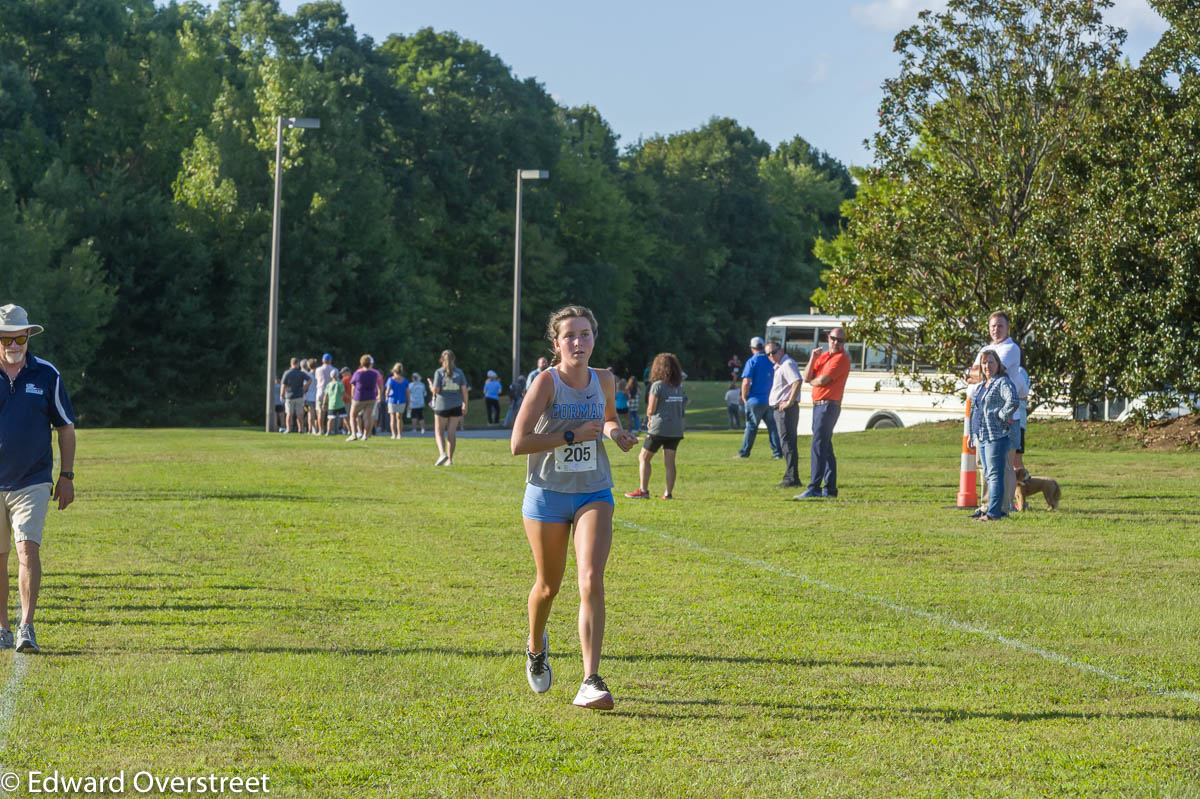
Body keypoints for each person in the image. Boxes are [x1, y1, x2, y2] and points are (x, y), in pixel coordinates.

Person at [511, 305, 637, 711]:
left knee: (590, 579)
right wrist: (570, 435)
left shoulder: (604, 380)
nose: (578, 342)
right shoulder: (546, 383)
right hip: (547, 493)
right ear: (556, 343)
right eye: (570, 336)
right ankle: (535, 646)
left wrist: (615, 432)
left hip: (593, 491)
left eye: (585, 334)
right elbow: (518, 443)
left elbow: (608, 417)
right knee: (548, 586)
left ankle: (590, 679)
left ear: (594, 339)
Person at [0, 304, 76, 654]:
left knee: (27, 548)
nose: (13, 344)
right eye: (5, 338)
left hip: (32, 480)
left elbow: (65, 427)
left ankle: (26, 626)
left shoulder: (47, 375)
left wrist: (67, 476)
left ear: (28, 336)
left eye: (19, 337)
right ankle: (2, 629)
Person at [965, 311, 1027, 514]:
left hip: (1007, 420)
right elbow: (973, 373)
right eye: (993, 326)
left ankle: (1005, 506)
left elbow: (994, 372)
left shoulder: (1011, 348)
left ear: (1008, 328)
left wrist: (979, 374)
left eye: (1000, 326)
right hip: (985, 419)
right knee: (984, 465)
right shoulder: (986, 348)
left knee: (1005, 465)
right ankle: (986, 505)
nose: (996, 329)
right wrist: (978, 374)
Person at [796, 328, 851, 499]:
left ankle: (814, 487)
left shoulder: (841, 359)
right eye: (834, 339)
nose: (836, 342)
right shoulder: (823, 356)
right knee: (825, 447)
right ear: (828, 338)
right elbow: (805, 376)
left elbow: (821, 380)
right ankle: (830, 489)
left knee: (818, 446)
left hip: (829, 406)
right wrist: (813, 358)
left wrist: (812, 381)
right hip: (818, 405)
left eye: (840, 340)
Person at [624, 353, 685, 500]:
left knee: (643, 458)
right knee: (670, 462)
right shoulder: (679, 387)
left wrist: (649, 418)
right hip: (676, 429)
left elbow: (651, 409)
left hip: (659, 427)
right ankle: (668, 493)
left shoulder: (657, 386)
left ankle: (643, 490)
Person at [969, 349, 1018, 522]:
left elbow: (1013, 400)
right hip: (982, 435)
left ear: (998, 365)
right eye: (984, 363)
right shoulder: (982, 385)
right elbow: (975, 410)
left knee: (995, 474)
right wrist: (971, 434)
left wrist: (1002, 415)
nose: (987, 366)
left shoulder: (1002, 382)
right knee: (988, 474)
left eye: (991, 362)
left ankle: (994, 513)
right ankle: (990, 509)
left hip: (996, 435)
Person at [735, 337, 782, 460]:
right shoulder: (771, 359)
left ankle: (744, 453)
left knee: (751, 427)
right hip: (770, 400)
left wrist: (744, 396)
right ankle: (777, 453)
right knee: (773, 427)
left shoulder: (752, 361)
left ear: (752, 348)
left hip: (755, 400)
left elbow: (746, 381)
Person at [766, 341, 804, 488]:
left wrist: (790, 401)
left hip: (786, 410)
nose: (771, 356)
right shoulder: (780, 365)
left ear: (780, 350)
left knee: (787, 443)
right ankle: (791, 476)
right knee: (786, 443)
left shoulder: (787, 364)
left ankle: (792, 478)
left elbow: (797, 381)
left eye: (773, 352)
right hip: (781, 409)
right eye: (768, 354)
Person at [431, 350, 468, 465]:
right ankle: (450, 460)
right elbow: (464, 390)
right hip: (456, 405)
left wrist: (431, 386)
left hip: (442, 405)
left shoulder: (439, 372)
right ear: (454, 359)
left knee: (439, 432)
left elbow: (436, 390)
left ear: (441, 360)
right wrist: (465, 404)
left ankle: (442, 454)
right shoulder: (459, 372)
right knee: (451, 433)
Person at [348, 354, 382, 441]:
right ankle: (365, 435)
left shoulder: (358, 373)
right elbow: (378, 384)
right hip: (371, 397)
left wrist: (352, 396)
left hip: (359, 397)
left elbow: (353, 385)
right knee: (367, 417)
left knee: (352, 415)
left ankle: (354, 434)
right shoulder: (375, 374)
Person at [279, 358, 309, 434]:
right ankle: (301, 429)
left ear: (291, 364)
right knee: (299, 414)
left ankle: (288, 429)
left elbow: (283, 385)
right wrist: (305, 387)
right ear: (298, 364)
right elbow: (310, 380)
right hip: (299, 396)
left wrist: (281, 394)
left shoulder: (287, 373)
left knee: (289, 413)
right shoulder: (300, 373)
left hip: (289, 396)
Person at [313, 354, 339, 435]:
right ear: (330, 360)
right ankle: (330, 430)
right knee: (331, 414)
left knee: (320, 412)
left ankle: (321, 430)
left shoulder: (318, 370)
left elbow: (317, 380)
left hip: (320, 392)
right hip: (332, 394)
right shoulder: (335, 369)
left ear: (323, 360)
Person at [385, 363, 408, 439]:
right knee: (400, 418)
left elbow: (387, 391)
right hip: (402, 400)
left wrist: (386, 398)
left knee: (392, 418)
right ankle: (399, 434)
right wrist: (409, 403)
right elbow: (407, 392)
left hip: (392, 400)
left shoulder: (391, 379)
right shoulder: (404, 380)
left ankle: (393, 434)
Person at [324, 370, 348, 435]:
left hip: (331, 404)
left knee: (330, 419)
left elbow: (325, 395)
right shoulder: (339, 384)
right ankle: (350, 431)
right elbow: (343, 393)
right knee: (345, 417)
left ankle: (328, 431)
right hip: (340, 403)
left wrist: (324, 404)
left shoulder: (328, 385)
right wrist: (350, 398)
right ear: (337, 376)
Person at [302, 358, 318, 433]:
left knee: (310, 413)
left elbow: (305, 386)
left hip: (309, 396)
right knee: (318, 413)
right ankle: (316, 429)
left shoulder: (307, 375)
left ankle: (311, 429)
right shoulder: (319, 373)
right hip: (318, 395)